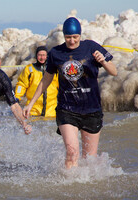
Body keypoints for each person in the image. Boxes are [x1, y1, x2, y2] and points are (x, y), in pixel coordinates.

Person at [23, 17, 117, 169]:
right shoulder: (56, 53)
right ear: (64, 36)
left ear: (80, 35)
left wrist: (104, 62)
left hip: (92, 109)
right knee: (72, 153)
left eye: (75, 37)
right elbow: (45, 80)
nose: (72, 41)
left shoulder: (91, 47)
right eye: (68, 37)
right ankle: (67, 187)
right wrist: (31, 103)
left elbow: (114, 72)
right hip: (67, 109)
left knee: (89, 159)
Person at [15, 46, 59, 117]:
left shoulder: (53, 70)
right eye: (39, 55)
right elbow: (21, 84)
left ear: (47, 56)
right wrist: (17, 96)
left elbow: (61, 85)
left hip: (51, 112)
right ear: (36, 56)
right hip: (33, 110)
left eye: (44, 55)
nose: (42, 58)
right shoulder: (29, 69)